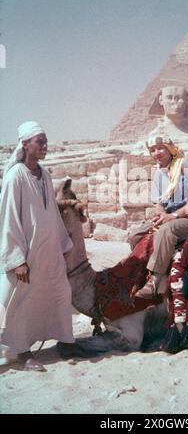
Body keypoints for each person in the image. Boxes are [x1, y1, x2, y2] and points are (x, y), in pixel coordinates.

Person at [0, 121, 93, 371]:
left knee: (61, 294)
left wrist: (64, 245)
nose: (45, 146)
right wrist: (16, 259)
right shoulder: (15, 176)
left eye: (46, 142)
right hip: (26, 256)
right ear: (24, 144)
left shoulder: (45, 174)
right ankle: (22, 352)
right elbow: (8, 219)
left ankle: (66, 342)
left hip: (49, 252)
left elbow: (51, 213)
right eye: (39, 142)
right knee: (20, 302)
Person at [128, 129, 188, 299]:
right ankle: (143, 272)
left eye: (160, 148)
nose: (156, 153)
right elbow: (160, 202)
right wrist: (160, 214)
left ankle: (154, 281)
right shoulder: (159, 173)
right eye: (152, 150)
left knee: (167, 231)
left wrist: (172, 217)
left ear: (169, 148)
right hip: (171, 217)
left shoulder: (187, 165)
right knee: (135, 235)